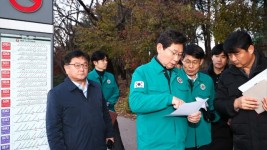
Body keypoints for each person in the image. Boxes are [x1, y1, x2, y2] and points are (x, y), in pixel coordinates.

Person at [129, 30, 201, 150]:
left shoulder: (180, 75)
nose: (176, 58)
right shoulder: (142, 72)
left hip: (179, 144)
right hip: (153, 145)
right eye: (174, 53)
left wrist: (193, 114)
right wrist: (168, 98)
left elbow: (188, 103)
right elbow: (136, 103)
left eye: (180, 54)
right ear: (160, 48)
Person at [46, 50, 114, 150]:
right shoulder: (57, 94)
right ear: (66, 68)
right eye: (77, 65)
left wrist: (109, 134)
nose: (82, 69)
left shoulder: (96, 87)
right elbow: (53, 130)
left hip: (100, 145)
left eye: (85, 65)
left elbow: (105, 114)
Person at [214, 30, 267, 150]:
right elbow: (218, 103)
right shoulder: (226, 75)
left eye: (236, 54)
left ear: (250, 49)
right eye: (229, 55)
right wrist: (235, 103)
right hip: (242, 142)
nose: (232, 59)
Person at [176, 44, 219, 150]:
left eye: (195, 62)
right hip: (182, 140)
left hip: (204, 138)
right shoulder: (174, 79)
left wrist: (211, 116)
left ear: (201, 62)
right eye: (187, 61)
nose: (191, 66)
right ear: (181, 59)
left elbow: (213, 105)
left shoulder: (207, 80)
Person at [87, 50, 125, 150]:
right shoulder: (88, 77)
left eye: (106, 60)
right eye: (103, 60)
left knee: (116, 142)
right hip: (95, 115)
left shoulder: (110, 76)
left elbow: (116, 92)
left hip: (110, 114)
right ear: (95, 62)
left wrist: (109, 103)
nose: (106, 62)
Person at [202, 44, 233, 150]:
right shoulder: (203, 75)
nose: (219, 60)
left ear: (227, 59)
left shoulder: (232, 75)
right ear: (212, 57)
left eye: (223, 57)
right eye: (216, 56)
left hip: (225, 123)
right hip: (205, 121)